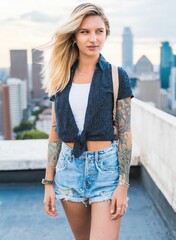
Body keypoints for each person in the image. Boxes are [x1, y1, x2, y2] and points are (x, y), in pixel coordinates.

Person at [41, 2, 134, 240]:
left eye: (99, 31)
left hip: (106, 171)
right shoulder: (60, 76)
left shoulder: (116, 75)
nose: (94, 38)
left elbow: (125, 133)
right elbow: (55, 131)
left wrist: (123, 184)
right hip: (68, 170)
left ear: (106, 34)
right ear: (74, 36)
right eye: (85, 32)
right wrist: (48, 182)